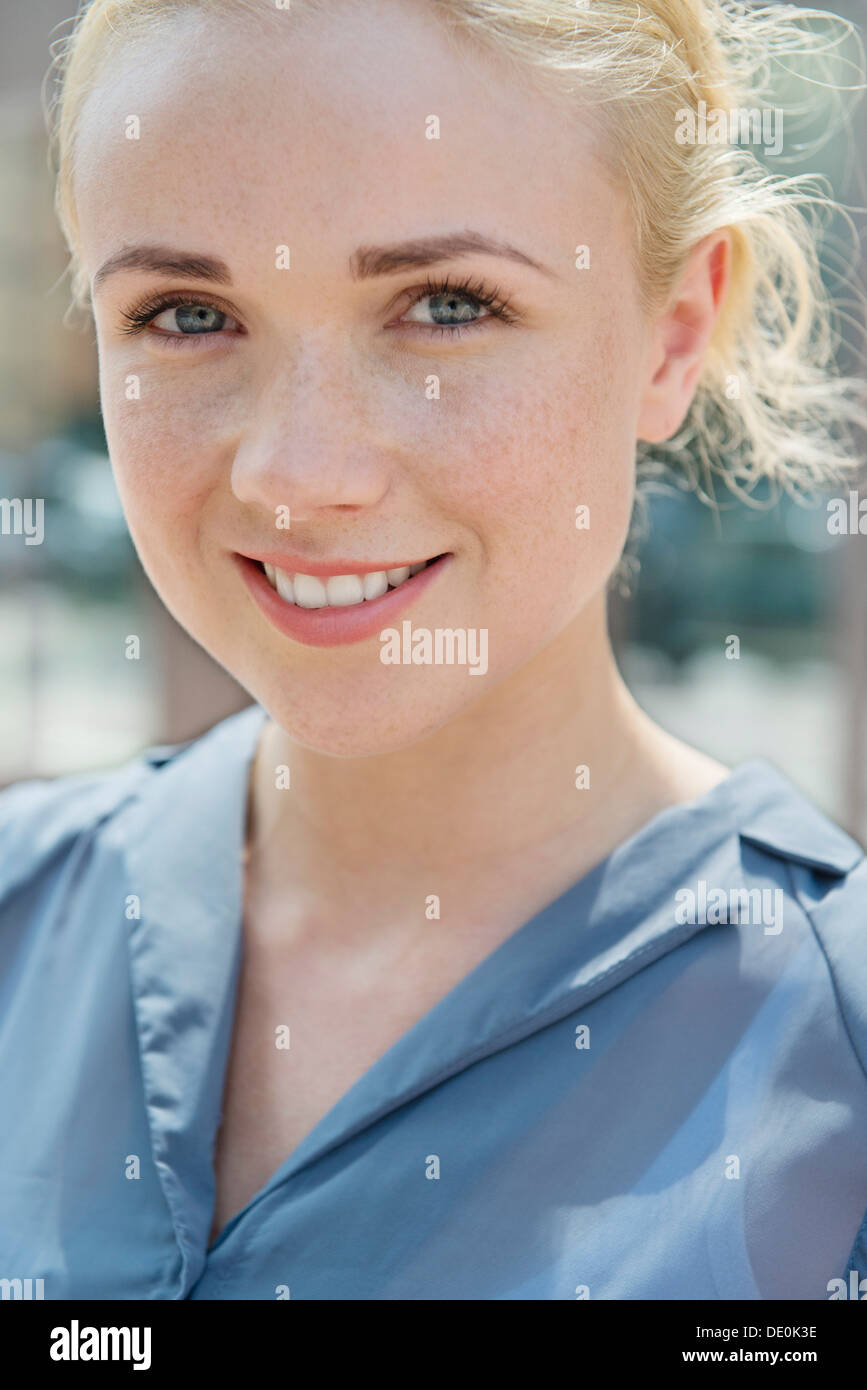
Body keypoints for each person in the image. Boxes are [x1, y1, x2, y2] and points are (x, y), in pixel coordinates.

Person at [1, 0, 866, 1299]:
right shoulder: (22, 919)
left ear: (676, 328)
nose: (300, 472)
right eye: (186, 314)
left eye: (446, 304)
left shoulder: (833, 1043)